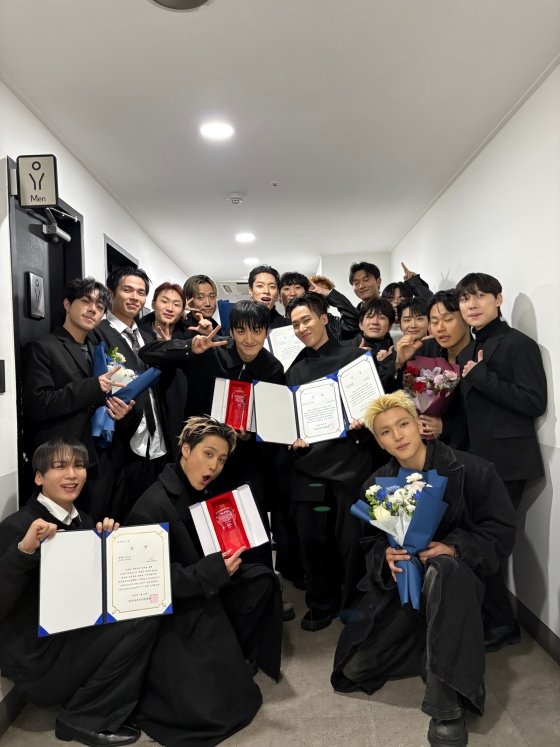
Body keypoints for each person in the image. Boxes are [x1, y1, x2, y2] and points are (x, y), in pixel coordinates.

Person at [331, 392, 517, 747]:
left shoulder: (474, 470)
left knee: (443, 569)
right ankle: (432, 648)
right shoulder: (377, 485)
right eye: (386, 432)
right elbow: (369, 543)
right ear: (379, 442)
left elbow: (501, 531)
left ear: (419, 425)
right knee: (355, 669)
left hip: (459, 585)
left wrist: (455, 547)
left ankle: (446, 705)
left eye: (403, 424)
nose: (398, 435)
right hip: (402, 589)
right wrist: (385, 555)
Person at [127, 416, 283, 747]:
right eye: (208, 454)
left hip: (204, 588)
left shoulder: (200, 491)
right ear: (185, 449)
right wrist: (212, 571)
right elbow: (145, 586)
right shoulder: (150, 507)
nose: (214, 465)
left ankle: (240, 655)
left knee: (262, 580)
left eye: (222, 459)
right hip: (172, 609)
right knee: (213, 710)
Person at [0, 437, 159, 747]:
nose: (72, 474)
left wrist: (107, 547)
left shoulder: (83, 521)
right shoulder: (18, 526)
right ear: (39, 477)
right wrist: (24, 550)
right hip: (38, 667)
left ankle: (106, 701)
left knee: (146, 606)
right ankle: (82, 718)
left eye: (79, 466)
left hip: (68, 643)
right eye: (60, 466)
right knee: (144, 620)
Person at [456, 272, 547, 651]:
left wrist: (483, 378)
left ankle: (502, 625)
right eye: (465, 299)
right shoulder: (467, 351)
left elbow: (533, 402)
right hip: (476, 464)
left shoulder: (518, 344)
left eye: (479, 296)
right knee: (481, 542)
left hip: (509, 463)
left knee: (489, 543)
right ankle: (492, 618)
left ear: (498, 299)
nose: (471, 304)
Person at [285, 292, 375, 631]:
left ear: (324, 318)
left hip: (351, 463)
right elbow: (291, 421)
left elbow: (376, 408)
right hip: (308, 467)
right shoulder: (294, 371)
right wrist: (292, 438)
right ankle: (322, 602)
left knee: (351, 542)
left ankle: (353, 604)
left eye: (306, 320)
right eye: (295, 324)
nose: (301, 328)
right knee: (311, 540)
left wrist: (365, 421)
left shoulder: (356, 358)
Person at [22, 277, 134, 518]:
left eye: (100, 307)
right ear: (67, 304)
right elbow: (37, 404)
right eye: (85, 301)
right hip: (67, 460)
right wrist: (93, 387)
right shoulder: (42, 347)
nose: (93, 309)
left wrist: (121, 411)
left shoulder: (98, 349)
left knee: (105, 525)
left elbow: (103, 399)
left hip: (106, 456)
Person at [92, 266, 169, 519]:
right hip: (120, 444)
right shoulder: (98, 333)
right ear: (111, 293)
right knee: (121, 518)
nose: (135, 297)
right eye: (127, 290)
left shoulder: (147, 337)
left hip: (155, 444)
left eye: (141, 292)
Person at [138, 282, 193, 458]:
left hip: (177, 411)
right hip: (144, 411)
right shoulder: (138, 333)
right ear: (153, 303)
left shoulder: (189, 337)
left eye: (177, 304)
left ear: (182, 311)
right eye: (164, 301)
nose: (170, 308)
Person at [308, 274, 360, 340]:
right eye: (315, 290)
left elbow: (354, 324)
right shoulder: (296, 317)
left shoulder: (333, 323)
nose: (319, 293)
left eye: (324, 291)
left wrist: (330, 294)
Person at [248, 264, 290, 329]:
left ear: (277, 293)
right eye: (260, 286)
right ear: (251, 291)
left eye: (272, 287)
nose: (266, 291)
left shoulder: (288, 327)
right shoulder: (238, 324)